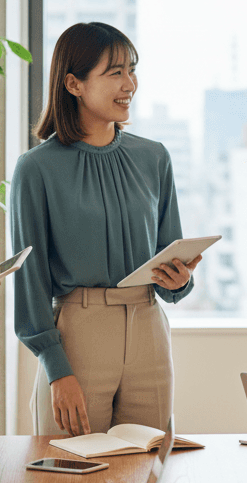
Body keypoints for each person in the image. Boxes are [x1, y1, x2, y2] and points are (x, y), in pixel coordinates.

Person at [11, 22, 198, 438]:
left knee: (147, 473)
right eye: (115, 73)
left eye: (132, 70)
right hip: (79, 334)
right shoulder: (37, 169)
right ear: (74, 84)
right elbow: (30, 282)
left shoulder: (154, 157)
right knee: (69, 479)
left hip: (149, 326)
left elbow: (170, 256)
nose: (130, 83)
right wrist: (58, 372)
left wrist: (180, 281)